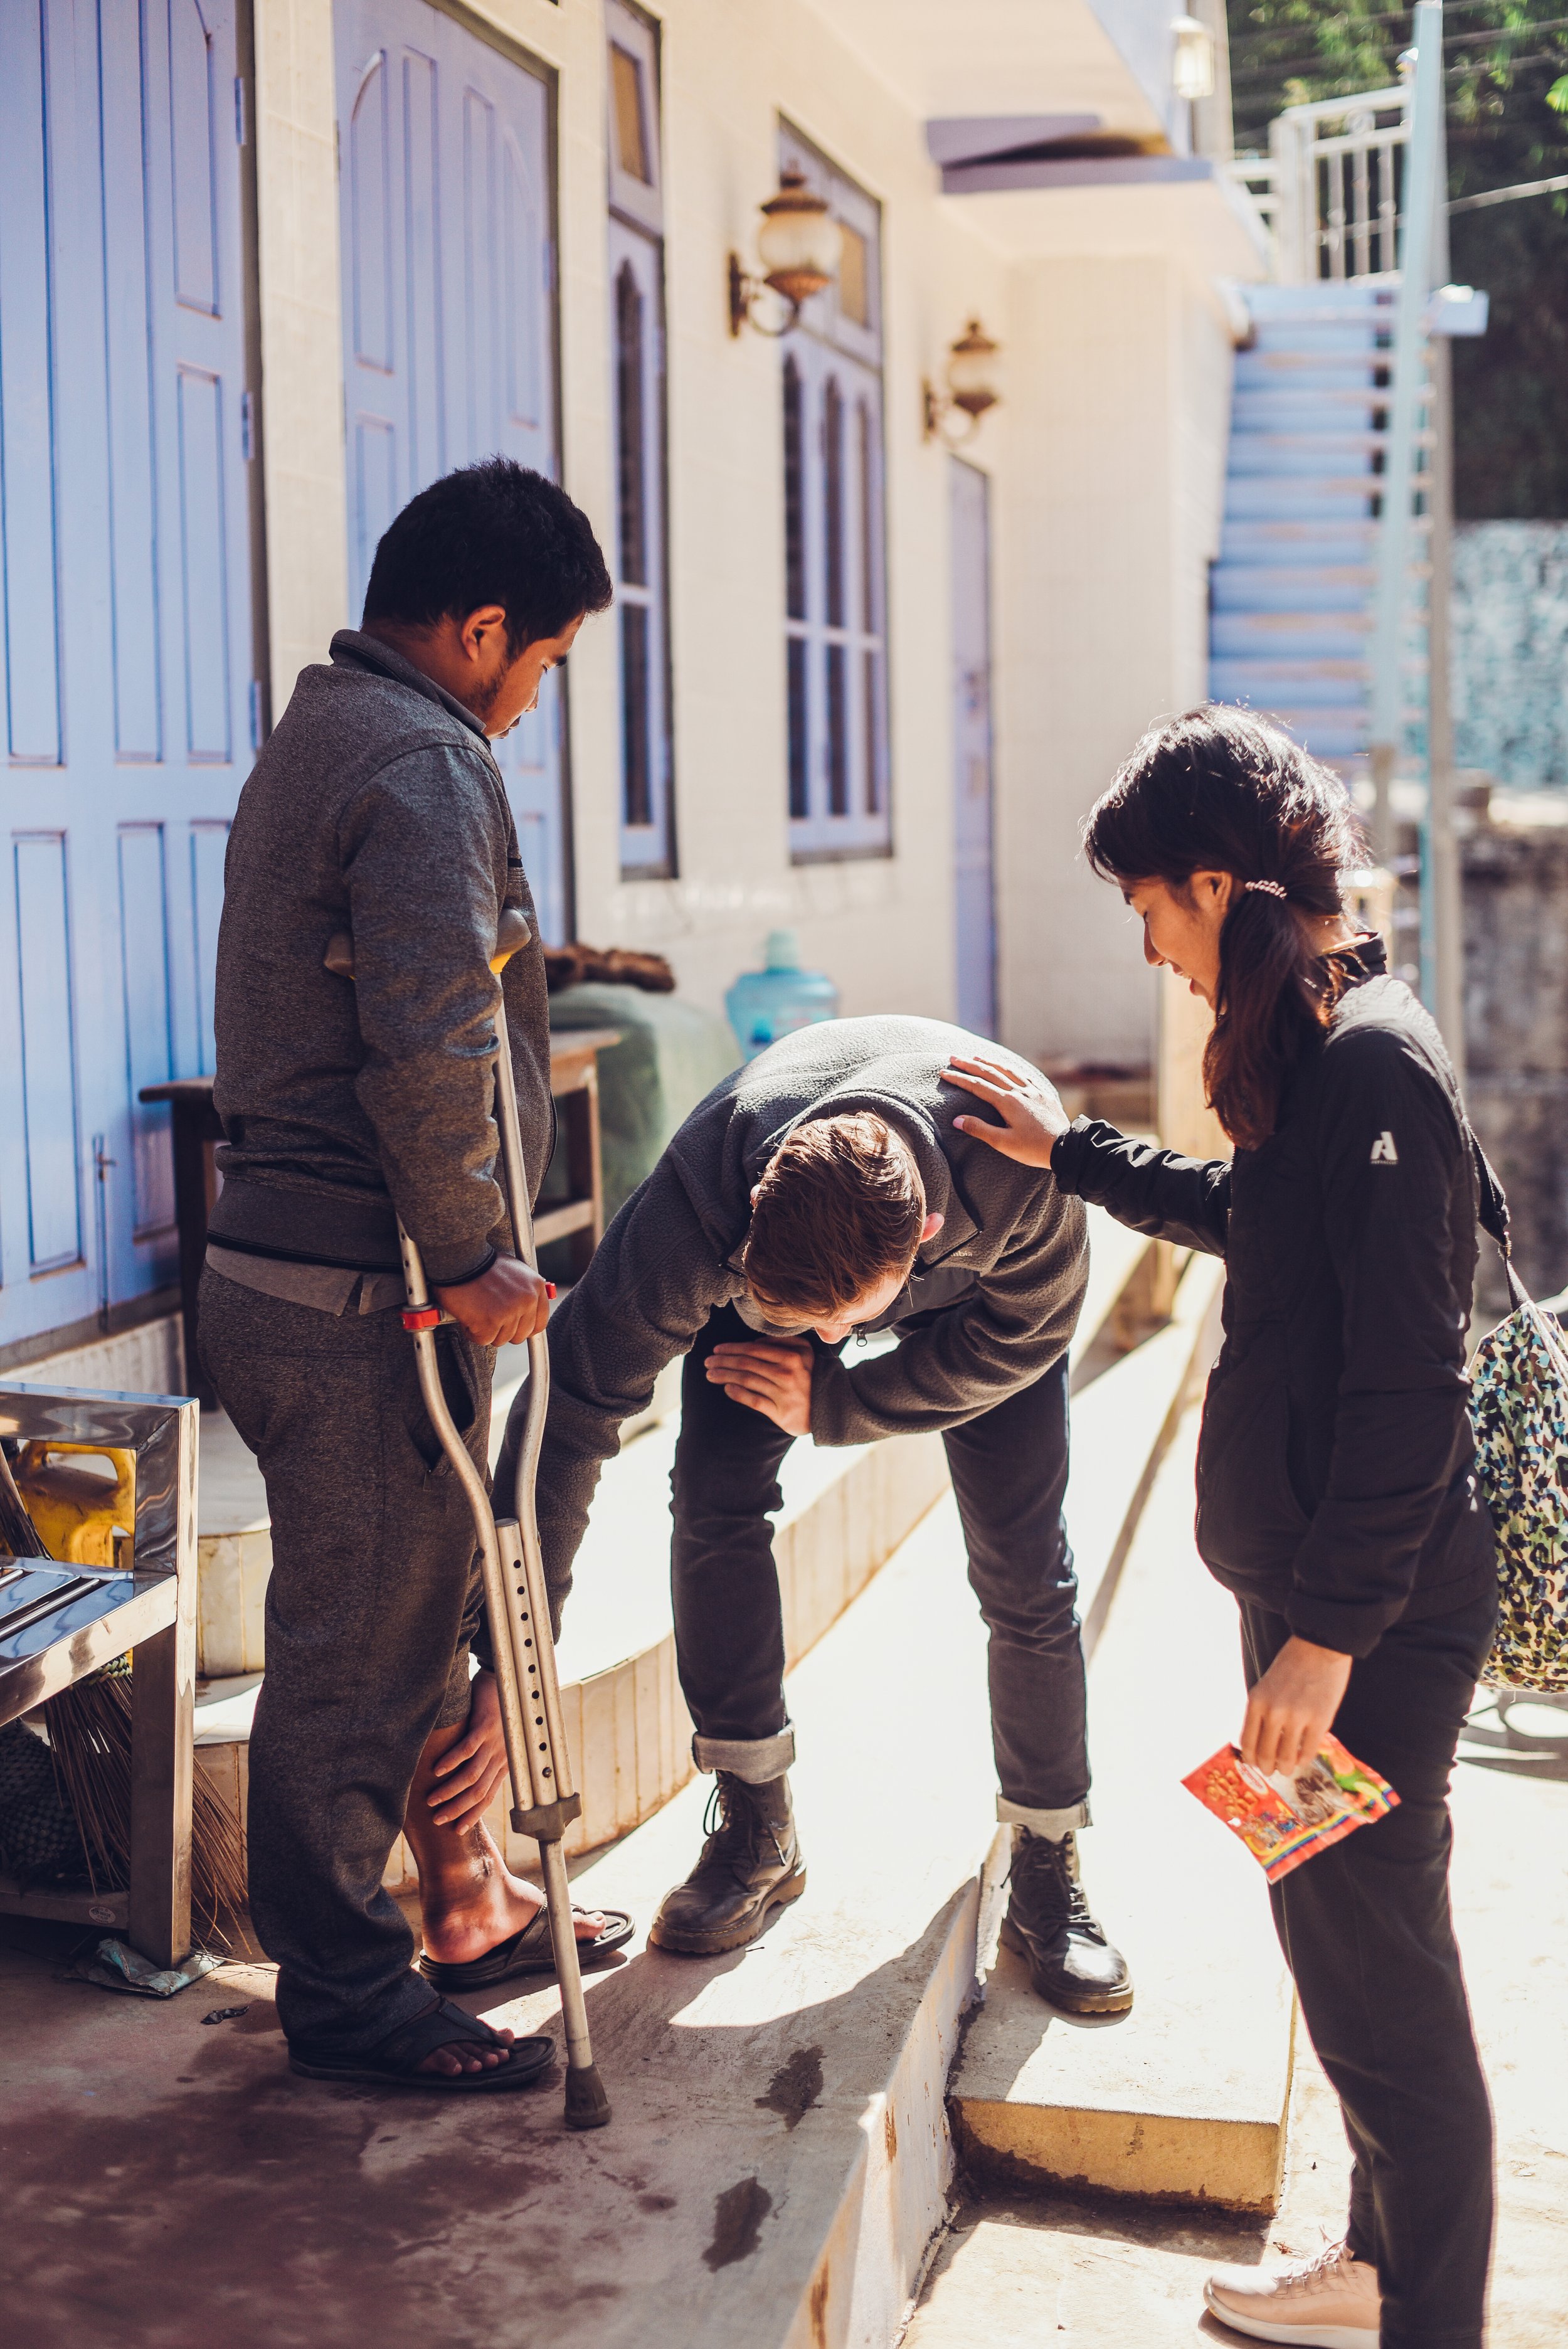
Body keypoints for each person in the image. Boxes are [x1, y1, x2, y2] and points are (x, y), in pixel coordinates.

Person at [946, 707, 1496, 2349]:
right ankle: (1375, 2272)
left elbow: (1411, 1383)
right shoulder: (1321, 1040)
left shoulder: (1372, 1056)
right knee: (1350, 1953)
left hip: (1370, 1624)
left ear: (1215, 880)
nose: (1154, 953)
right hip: (1321, 1602)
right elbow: (1254, 1220)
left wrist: (1326, 1636)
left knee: (1380, 1990)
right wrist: (1074, 1154)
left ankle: (1428, 2320)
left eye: (1152, 915)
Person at [199, 459, 623, 2089]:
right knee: (356, 1647)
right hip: (357, 1295)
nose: (533, 706)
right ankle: (347, 1991)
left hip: (311, 1274)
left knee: (423, 1616)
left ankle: (466, 1905)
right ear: (481, 630)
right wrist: (471, 1255)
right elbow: (431, 1037)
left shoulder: (324, 731)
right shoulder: (424, 764)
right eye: (544, 668)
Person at [500, 1017, 1134, 2015]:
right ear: (754, 1209)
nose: (831, 1340)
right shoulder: (708, 1190)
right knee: (712, 1497)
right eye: (812, 1325)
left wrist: (835, 1401)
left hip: (984, 1321)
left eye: (845, 1322)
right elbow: (567, 1408)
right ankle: (758, 1826)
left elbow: (1031, 1334)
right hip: (785, 1264)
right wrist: (514, 1664)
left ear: (924, 1235)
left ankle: (1049, 1858)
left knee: (1025, 1569)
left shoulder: (1023, 1167)